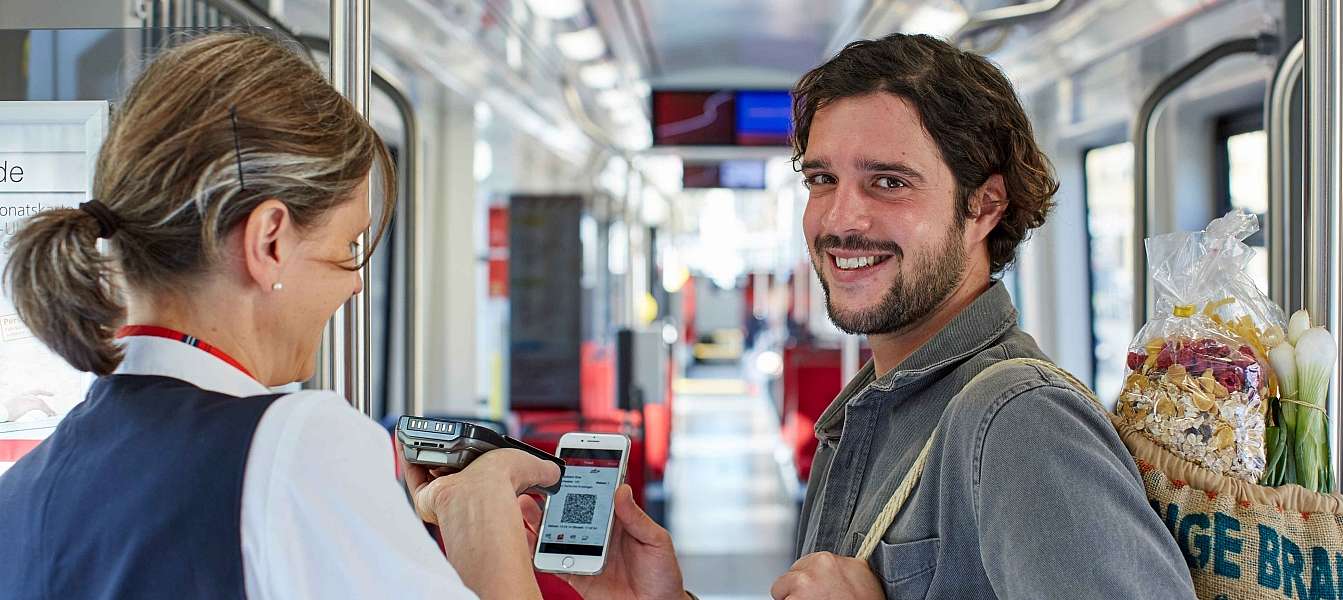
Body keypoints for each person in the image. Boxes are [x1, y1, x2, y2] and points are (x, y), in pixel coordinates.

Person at [525, 34, 1196, 600]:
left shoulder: (1017, 422)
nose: (841, 219)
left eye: (889, 182)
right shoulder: (872, 411)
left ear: (984, 207)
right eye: (822, 180)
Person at [0, 32, 556, 599]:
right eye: (348, 247)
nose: (357, 283)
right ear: (269, 242)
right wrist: (478, 516)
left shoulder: (21, 493)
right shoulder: (295, 444)